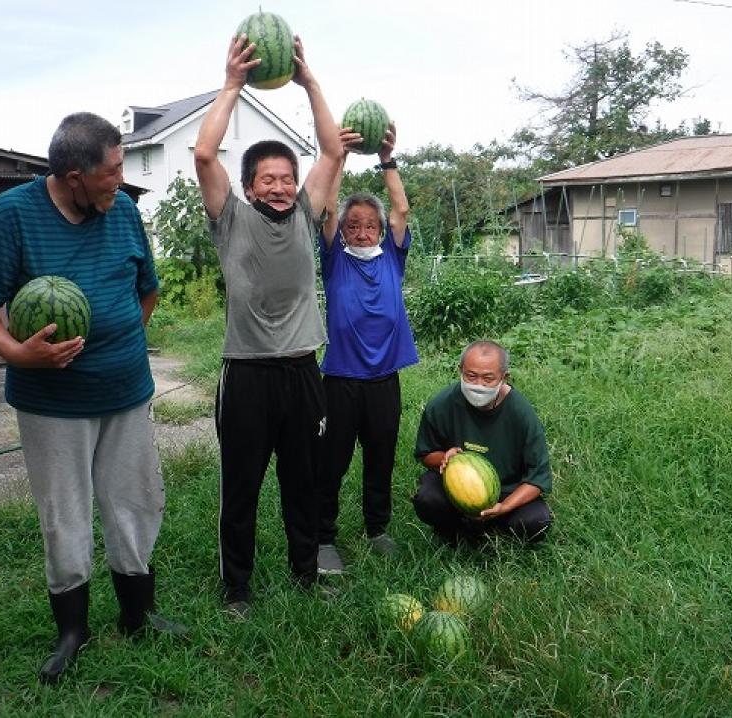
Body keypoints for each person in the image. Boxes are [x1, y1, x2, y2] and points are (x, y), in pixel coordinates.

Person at [0, 112, 185, 685]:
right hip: (50, 403)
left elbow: (147, 291)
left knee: (136, 502)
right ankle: (72, 631)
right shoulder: (11, 215)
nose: (121, 179)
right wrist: (19, 352)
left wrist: (119, 347)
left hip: (127, 393)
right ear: (73, 174)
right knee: (65, 516)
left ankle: (138, 614)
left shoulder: (124, 211)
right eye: (111, 171)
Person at [194, 33, 344, 619]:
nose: (280, 187)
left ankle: (305, 571)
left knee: (302, 480)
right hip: (248, 376)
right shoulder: (230, 220)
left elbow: (331, 153)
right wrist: (232, 85)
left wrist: (309, 83)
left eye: (287, 178)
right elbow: (205, 156)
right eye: (269, 180)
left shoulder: (307, 215)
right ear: (251, 184)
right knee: (243, 486)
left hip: (304, 369)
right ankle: (237, 588)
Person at [315, 124, 419, 574]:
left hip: (383, 381)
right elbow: (324, 210)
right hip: (340, 381)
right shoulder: (335, 259)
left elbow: (401, 207)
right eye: (353, 225)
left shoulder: (392, 258)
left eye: (369, 225)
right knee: (331, 464)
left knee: (381, 459)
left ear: (380, 230)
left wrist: (387, 159)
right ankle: (322, 538)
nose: (360, 231)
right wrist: (337, 157)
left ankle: (377, 529)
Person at [412, 340, 553, 545]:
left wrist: (504, 507)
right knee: (428, 499)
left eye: (488, 378)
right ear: (460, 370)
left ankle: (494, 526)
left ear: (504, 377)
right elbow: (426, 454)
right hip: (457, 489)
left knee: (536, 521)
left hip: (506, 491)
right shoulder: (442, 404)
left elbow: (537, 479)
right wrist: (445, 458)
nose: (478, 384)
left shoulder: (521, 414)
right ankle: (454, 530)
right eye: (471, 376)